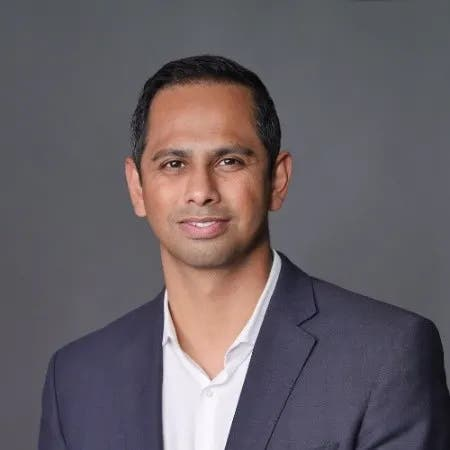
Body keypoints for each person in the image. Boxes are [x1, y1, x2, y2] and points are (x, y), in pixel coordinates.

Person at [38, 55, 450, 450]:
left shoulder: (384, 356)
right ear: (137, 187)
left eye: (230, 161)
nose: (201, 191)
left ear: (277, 180)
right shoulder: (77, 380)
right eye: (174, 164)